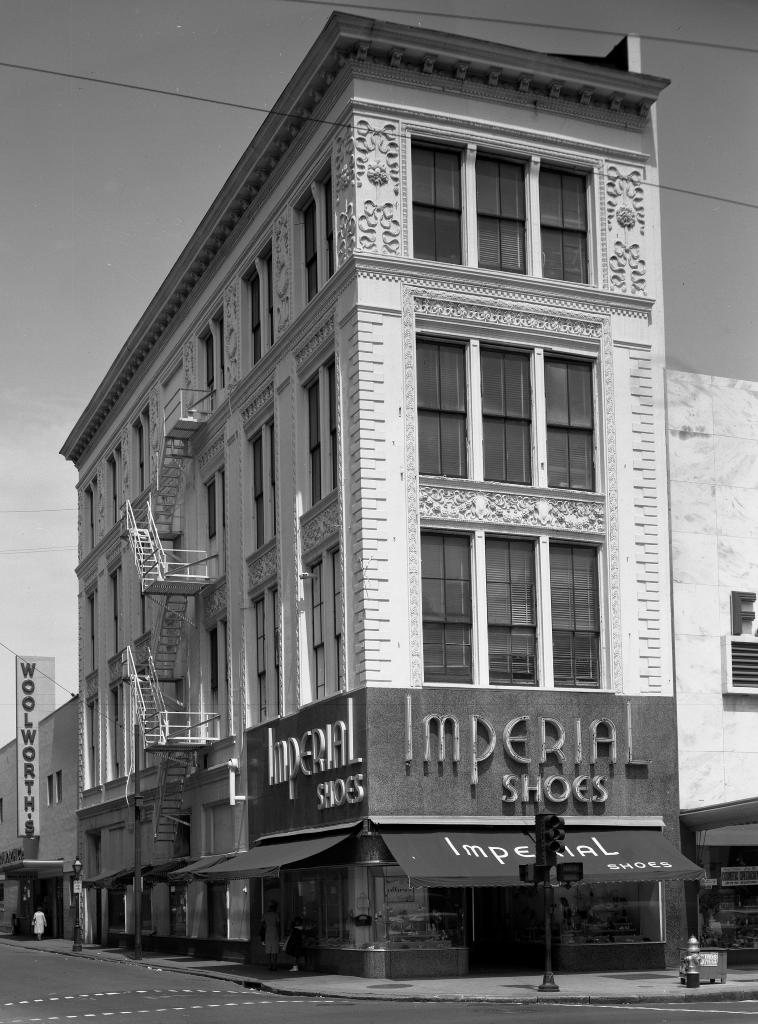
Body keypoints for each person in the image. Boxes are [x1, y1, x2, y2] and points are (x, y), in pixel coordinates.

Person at [262, 900, 280, 971]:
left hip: (268, 932)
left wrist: (266, 926)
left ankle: (269, 965)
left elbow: (262, 923)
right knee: (274, 950)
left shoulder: (265, 914)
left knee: (268, 950)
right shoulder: (276, 915)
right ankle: (274, 965)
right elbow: (278, 924)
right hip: (274, 932)